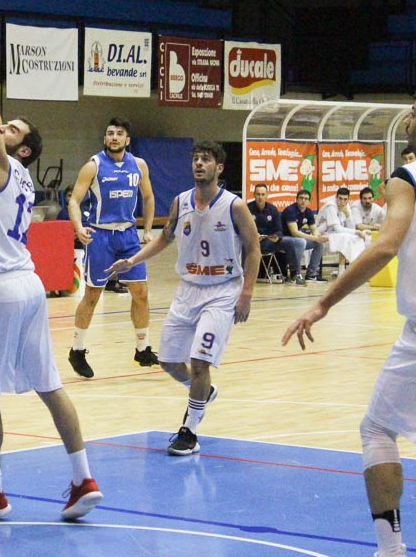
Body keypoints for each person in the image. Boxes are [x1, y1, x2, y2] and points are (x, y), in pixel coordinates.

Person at [0, 0, 102, 520]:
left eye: (13, 129)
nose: (3, 127)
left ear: (21, 149)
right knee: (49, 384)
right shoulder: (16, 176)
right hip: (30, 285)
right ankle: (83, 479)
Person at [282, 83, 416, 557]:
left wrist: (323, 303)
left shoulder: (408, 177)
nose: (407, 121)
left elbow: (384, 247)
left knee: (376, 430)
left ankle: (390, 550)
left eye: (413, 113)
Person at [107, 140, 260, 455]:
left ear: (219, 167)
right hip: (188, 288)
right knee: (168, 361)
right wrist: (132, 261)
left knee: (200, 361)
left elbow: (254, 248)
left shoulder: (234, 206)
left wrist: (247, 292)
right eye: (195, 159)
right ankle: (202, 391)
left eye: (206, 159)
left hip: (222, 290)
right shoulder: (181, 202)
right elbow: (164, 238)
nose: (199, 164)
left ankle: (189, 431)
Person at [67, 118, 157, 378]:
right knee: (92, 295)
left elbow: (149, 196)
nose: (114, 137)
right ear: (105, 138)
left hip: (128, 236)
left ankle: (142, 349)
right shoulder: (93, 166)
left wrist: (148, 230)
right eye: (110, 133)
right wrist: (78, 227)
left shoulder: (139, 165)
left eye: (119, 133)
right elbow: (74, 200)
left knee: (141, 292)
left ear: (127, 139)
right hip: (101, 236)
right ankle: (77, 350)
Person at [248, 183, 306, 285]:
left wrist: (276, 237)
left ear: (267, 195)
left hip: (268, 242)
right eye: (258, 194)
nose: (260, 197)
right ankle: (246, 274)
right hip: (251, 243)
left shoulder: (273, 209)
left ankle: (295, 274)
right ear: (254, 195)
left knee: (290, 242)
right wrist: (252, 235)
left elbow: (279, 230)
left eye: (262, 194)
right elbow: (241, 227)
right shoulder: (247, 209)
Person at [281, 189, 329, 283]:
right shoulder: (291, 210)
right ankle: (296, 273)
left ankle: (311, 274)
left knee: (320, 244)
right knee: (301, 242)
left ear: (309, 201)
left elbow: (314, 229)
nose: (303, 201)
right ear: (297, 199)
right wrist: (314, 238)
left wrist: (319, 237)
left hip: (295, 240)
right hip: (284, 239)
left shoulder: (309, 212)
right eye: (301, 198)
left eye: (306, 199)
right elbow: (294, 232)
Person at [316, 186, 369, 270]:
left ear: (348, 199)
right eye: (340, 198)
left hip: (335, 233)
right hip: (321, 233)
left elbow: (351, 228)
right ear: (336, 197)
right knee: (346, 238)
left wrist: (347, 214)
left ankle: (356, 267)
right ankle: (342, 270)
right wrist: (357, 232)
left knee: (356, 238)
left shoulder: (346, 206)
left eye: (345, 199)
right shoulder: (331, 206)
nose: (342, 202)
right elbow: (338, 229)